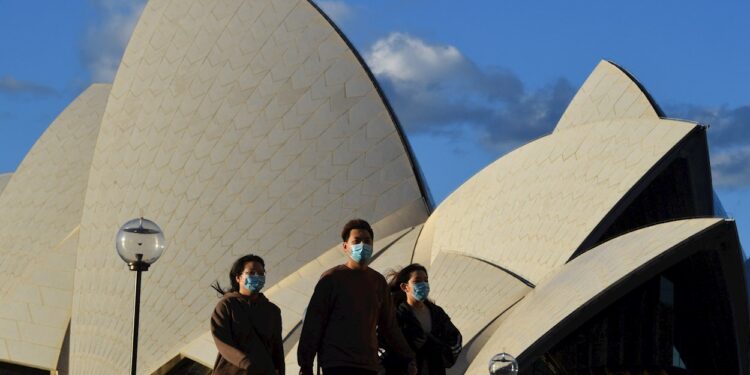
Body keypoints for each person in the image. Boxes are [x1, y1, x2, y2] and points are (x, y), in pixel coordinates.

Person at [297, 219, 417, 375]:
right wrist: (305, 364)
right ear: (346, 247)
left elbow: (390, 326)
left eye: (367, 241)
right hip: (337, 364)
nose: (362, 245)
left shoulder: (378, 282)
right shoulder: (331, 278)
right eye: (357, 241)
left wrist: (408, 357)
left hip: (368, 365)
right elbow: (314, 322)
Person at [381, 264, 462, 375]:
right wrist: (404, 363)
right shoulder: (396, 315)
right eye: (417, 281)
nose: (423, 284)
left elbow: (455, 338)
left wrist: (438, 349)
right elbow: (382, 346)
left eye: (426, 280)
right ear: (405, 287)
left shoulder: (437, 313)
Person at [211, 254, 285, 375]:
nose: (257, 276)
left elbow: (277, 348)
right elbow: (222, 340)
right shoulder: (226, 306)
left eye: (261, 273)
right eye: (252, 273)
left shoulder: (273, 311)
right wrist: (246, 363)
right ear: (238, 278)